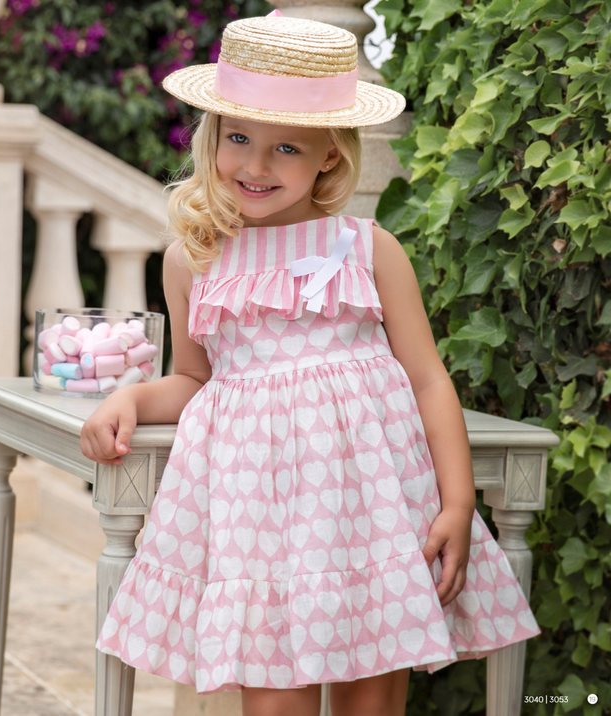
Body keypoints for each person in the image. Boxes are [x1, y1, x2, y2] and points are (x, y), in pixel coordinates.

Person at [81, 11, 541, 716]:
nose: (255, 166)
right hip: (257, 520)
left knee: (372, 700)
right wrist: (132, 400)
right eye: (238, 138)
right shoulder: (193, 260)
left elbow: (427, 379)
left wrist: (455, 502)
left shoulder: (368, 249)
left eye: (286, 147)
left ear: (330, 152)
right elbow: (194, 378)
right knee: (273, 704)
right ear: (213, 138)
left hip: (372, 514)